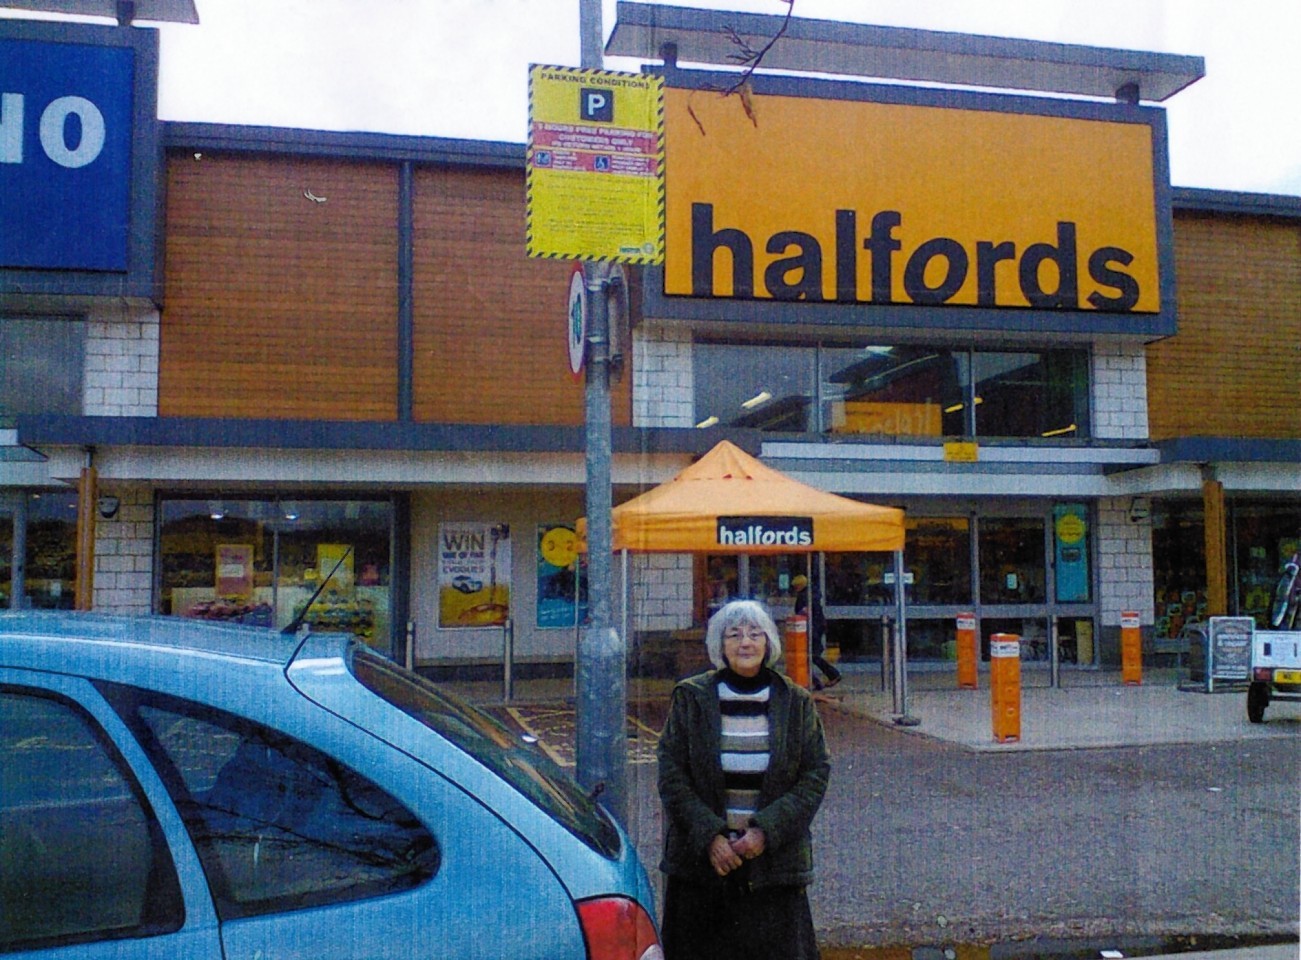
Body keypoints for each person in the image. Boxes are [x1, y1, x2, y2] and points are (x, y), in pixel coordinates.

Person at [656, 599, 831, 960]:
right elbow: (671, 772)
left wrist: (764, 831)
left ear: (769, 643)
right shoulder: (691, 698)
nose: (745, 643)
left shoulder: (795, 702)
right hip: (702, 869)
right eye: (733, 635)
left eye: (755, 634)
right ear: (720, 646)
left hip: (773, 869)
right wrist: (710, 836)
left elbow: (815, 773)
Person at [792, 574, 841, 689]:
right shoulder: (813, 594)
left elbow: (803, 612)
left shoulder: (804, 597)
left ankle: (831, 675)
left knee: (809, 656)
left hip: (810, 629)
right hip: (817, 627)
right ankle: (818, 681)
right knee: (809, 656)